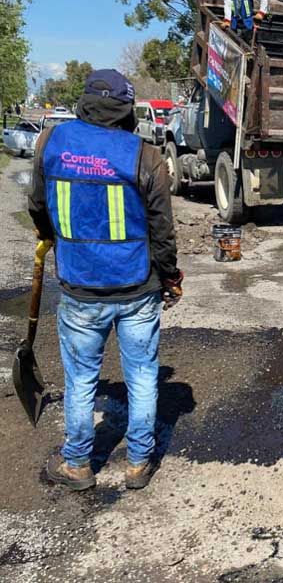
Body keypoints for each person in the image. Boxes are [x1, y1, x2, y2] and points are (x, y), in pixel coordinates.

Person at [28, 69, 183, 491]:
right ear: (126, 110)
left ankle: (77, 464)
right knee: (142, 376)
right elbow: (161, 229)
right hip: (137, 287)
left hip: (80, 288)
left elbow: (38, 207)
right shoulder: (145, 155)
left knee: (80, 381)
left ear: (84, 102)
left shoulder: (50, 143)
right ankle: (138, 463)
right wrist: (169, 276)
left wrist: (52, 238)